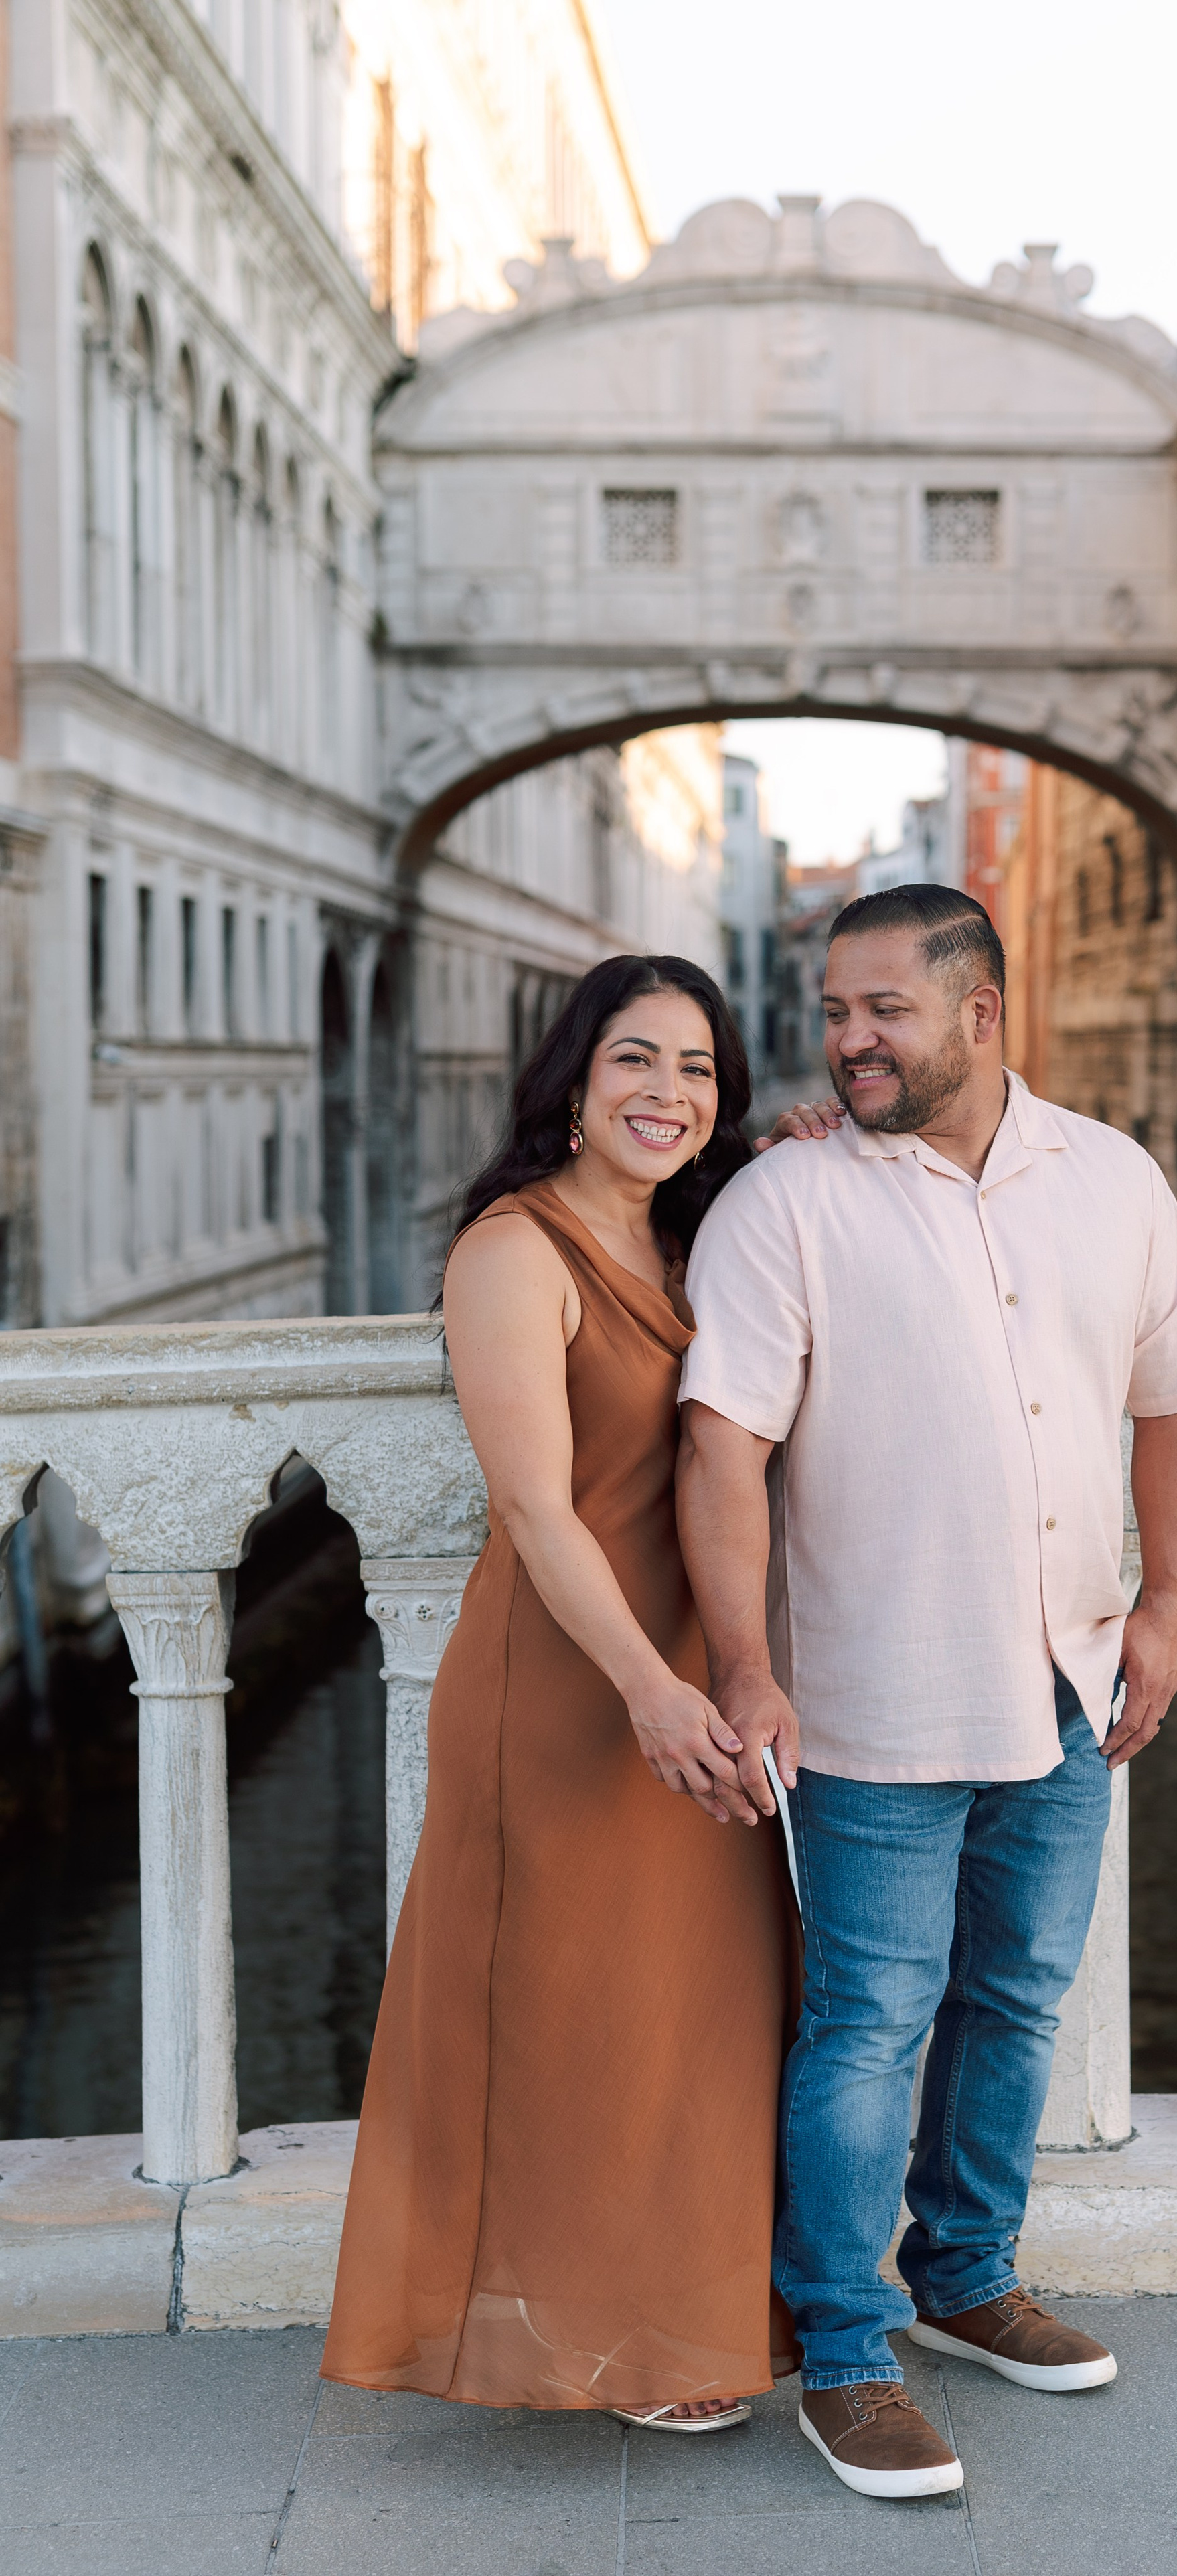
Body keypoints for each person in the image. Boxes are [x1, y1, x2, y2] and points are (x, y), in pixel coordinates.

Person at [676, 883, 1177, 2500]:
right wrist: (744, 1663)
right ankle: (844, 2348)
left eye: (883, 1011)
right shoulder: (783, 1203)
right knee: (869, 2020)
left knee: (1017, 1994)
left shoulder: (1110, 1178)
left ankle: (965, 2272)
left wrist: (1168, 1606)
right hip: (873, 1695)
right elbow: (720, 1451)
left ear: (980, 1012)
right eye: (833, 1013)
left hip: (1069, 1676)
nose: (846, 1040)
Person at [321, 955, 799, 2430]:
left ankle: (681, 2320)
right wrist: (651, 1691)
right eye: (636, 1059)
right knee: (576, 2011)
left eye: (698, 1068)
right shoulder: (512, 1252)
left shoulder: (703, 1235)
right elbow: (535, 1507)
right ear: (573, 1086)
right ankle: (587, 2343)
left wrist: (806, 1149)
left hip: (699, 1672)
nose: (669, 1091)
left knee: (697, 2009)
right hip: (572, 1680)